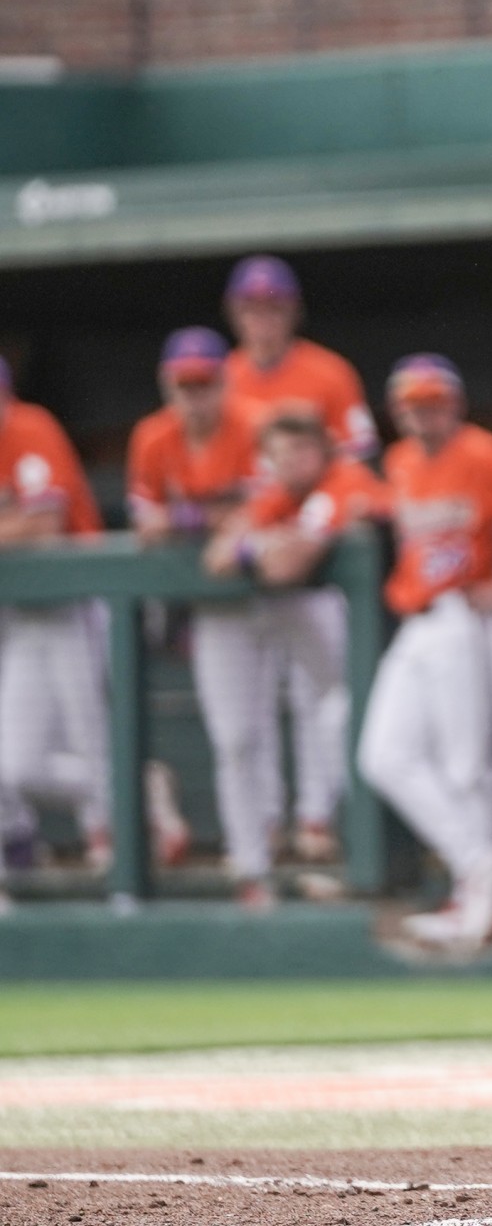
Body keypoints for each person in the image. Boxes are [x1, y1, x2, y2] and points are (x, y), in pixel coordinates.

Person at [355, 355, 492, 952]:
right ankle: (479, 862)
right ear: (398, 411)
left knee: (467, 765)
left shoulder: (487, 454)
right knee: (383, 756)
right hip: (416, 620)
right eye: (414, 405)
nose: (426, 415)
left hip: (467, 619)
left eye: (435, 402)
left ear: (456, 402)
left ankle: (478, 904)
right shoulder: (397, 463)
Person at [203, 410, 385, 900]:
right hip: (372, 640)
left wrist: (255, 547)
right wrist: (256, 542)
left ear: (323, 451)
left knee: (352, 724)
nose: (292, 462)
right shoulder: (277, 497)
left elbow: (288, 564)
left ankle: (368, 856)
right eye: (280, 453)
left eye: (302, 450)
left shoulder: (346, 480)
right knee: (335, 723)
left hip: (421, 624)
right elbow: (217, 556)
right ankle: (271, 865)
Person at [126, 329, 270, 902]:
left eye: (204, 384)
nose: (195, 397)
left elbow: (267, 502)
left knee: (331, 708)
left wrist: (193, 516)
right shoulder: (152, 436)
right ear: (169, 387)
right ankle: (252, 868)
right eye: (184, 386)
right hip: (218, 603)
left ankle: (323, 830)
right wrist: (213, 516)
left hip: (292, 593)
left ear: (225, 381)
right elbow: (146, 520)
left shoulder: (257, 421)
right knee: (235, 737)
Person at [0, 358, 109, 911]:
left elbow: (44, 523)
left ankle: (113, 839)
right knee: (12, 764)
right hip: (21, 615)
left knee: (91, 732)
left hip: (73, 601)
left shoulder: (30, 427)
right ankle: (134, 790)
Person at [221, 254, 377, 460]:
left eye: (274, 307)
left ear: (294, 311)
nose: (262, 317)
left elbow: (362, 448)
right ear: (233, 312)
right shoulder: (219, 378)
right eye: (251, 308)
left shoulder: (331, 371)